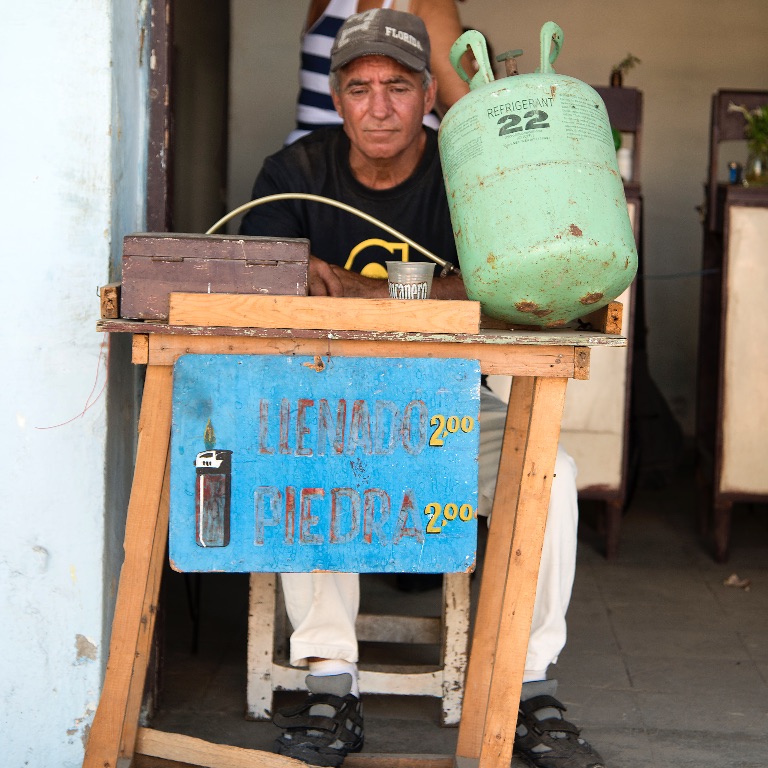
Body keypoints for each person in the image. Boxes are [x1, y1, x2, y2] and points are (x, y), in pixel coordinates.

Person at [240, 10, 605, 768]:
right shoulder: (295, 175)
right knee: (300, 453)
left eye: (399, 87)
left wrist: (356, 292)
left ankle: (530, 684)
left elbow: (501, 289)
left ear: (428, 97)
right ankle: (329, 679)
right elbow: (258, 287)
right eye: (361, 88)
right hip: (330, 397)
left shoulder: (469, 168)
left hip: (449, 403)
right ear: (337, 98)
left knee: (553, 475)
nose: (379, 107)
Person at [287, 0, 469, 144]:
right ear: (337, 99)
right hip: (398, 167)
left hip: (308, 161)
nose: (380, 112)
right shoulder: (429, 2)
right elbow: (466, 111)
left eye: (397, 89)